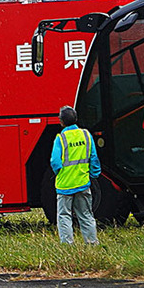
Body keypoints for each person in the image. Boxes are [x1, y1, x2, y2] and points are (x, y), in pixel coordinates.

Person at [50, 105, 101, 245]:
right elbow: (94, 158)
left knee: (64, 216)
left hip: (65, 185)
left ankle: (68, 245)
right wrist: (94, 174)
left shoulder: (60, 139)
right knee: (86, 215)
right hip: (83, 183)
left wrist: (60, 173)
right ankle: (92, 243)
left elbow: (55, 162)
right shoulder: (86, 135)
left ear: (61, 121)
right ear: (76, 119)